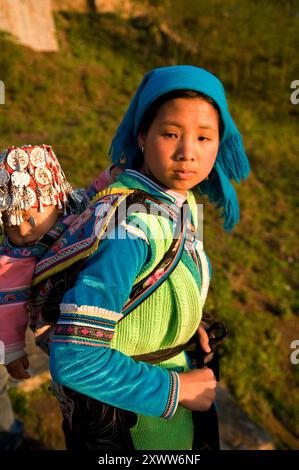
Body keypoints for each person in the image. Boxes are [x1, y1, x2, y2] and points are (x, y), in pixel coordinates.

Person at [40, 65, 250, 451]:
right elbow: (75, 357)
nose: (188, 153)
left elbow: (159, 277)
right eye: (170, 134)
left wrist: (184, 324)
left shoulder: (178, 201)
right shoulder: (131, 228)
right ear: (142, 136)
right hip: (137, 426)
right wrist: (175, 389)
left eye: (205, 137)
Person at [0, 144, 114, 449]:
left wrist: (110, 176)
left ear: (55, 200)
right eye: (9, 223)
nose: (21, 229)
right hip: (57, 329)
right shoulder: (15, 260)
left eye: (29, 217)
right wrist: (11, 351)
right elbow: (7, 309)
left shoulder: (75, 209)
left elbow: (94, 193)